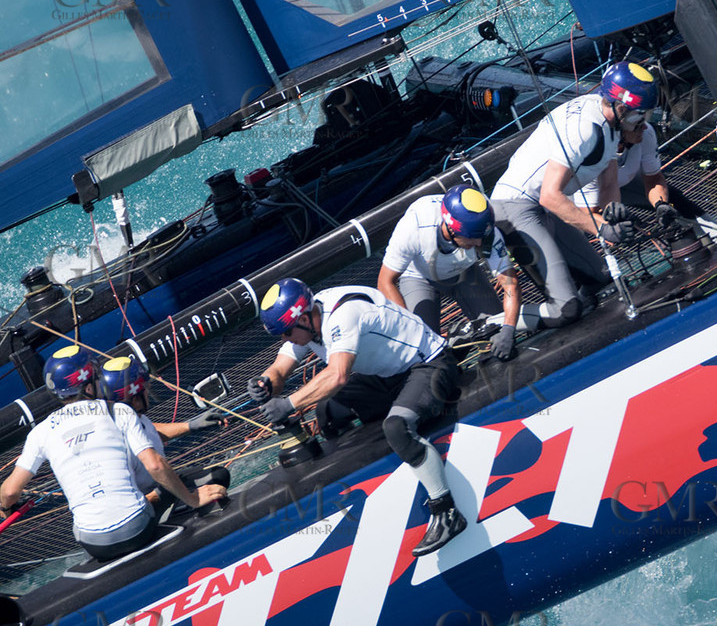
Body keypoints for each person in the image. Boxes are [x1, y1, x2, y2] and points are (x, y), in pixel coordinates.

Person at [248, 278, 465, 556]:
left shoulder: (342, 315)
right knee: (328, 411)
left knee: (397, 427)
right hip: (388, 376)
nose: (285, 339)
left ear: (302, 318)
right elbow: (280, 368)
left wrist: (288, 403)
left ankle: (446, 511)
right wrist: (266, 382)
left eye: (287, 332)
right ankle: (364, 493)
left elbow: (338, 375)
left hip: (429, 365)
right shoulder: (305, 322)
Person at [0, 346, 225, 562]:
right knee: (207, 479)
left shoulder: (40, 433)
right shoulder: (118, 411)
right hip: (136, 527)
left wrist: (4, 508)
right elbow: (155, 466)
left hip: (93, 543)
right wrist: (193, 499)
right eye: (96, 379)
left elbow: (9, 492)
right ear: (88, 388)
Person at [490, 62, 657, 326]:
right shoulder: (585, 130)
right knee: (566, 309)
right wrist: (601, 228)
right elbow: (549, 195)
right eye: (640, 116)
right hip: (516, 206)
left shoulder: (611, 125)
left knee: (603, 282)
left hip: (545, 207)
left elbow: (609, 184)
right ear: (621, 107)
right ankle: (492, 324)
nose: (644, 125)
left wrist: (612, 216)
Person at [377, 184, 521, 360]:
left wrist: (508, 329)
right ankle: (453, 345)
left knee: (495, 330)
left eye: (481, 237)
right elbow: (385, 281)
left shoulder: (486, 232)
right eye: (471, 237)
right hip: (419, 277)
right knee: (426, 352)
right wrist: (411, 327)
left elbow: (510, 285)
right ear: (451, 229)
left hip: (465, 273)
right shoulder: (414, 227)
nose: (478, 243)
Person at [100, 356, 230, 521]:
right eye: (145, 388)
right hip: (141, 507)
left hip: (155, 490)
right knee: (213, 483)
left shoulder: (125, 417)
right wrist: (178, 495)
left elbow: (150, 431)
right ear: (135, 399)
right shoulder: (115, 444)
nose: (149, 389)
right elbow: (124, 505)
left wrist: (190, 425)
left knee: (217, 475)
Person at [574, 115, 717, 238]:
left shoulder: (645, 133)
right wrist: (612, 229)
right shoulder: (591, 156)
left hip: (623, 182)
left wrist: (661, 204)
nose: (645, 127)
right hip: (581, 198)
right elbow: (588, 214)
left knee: (673, 200)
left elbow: (653, 179)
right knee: (604, 232)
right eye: (638, 125)